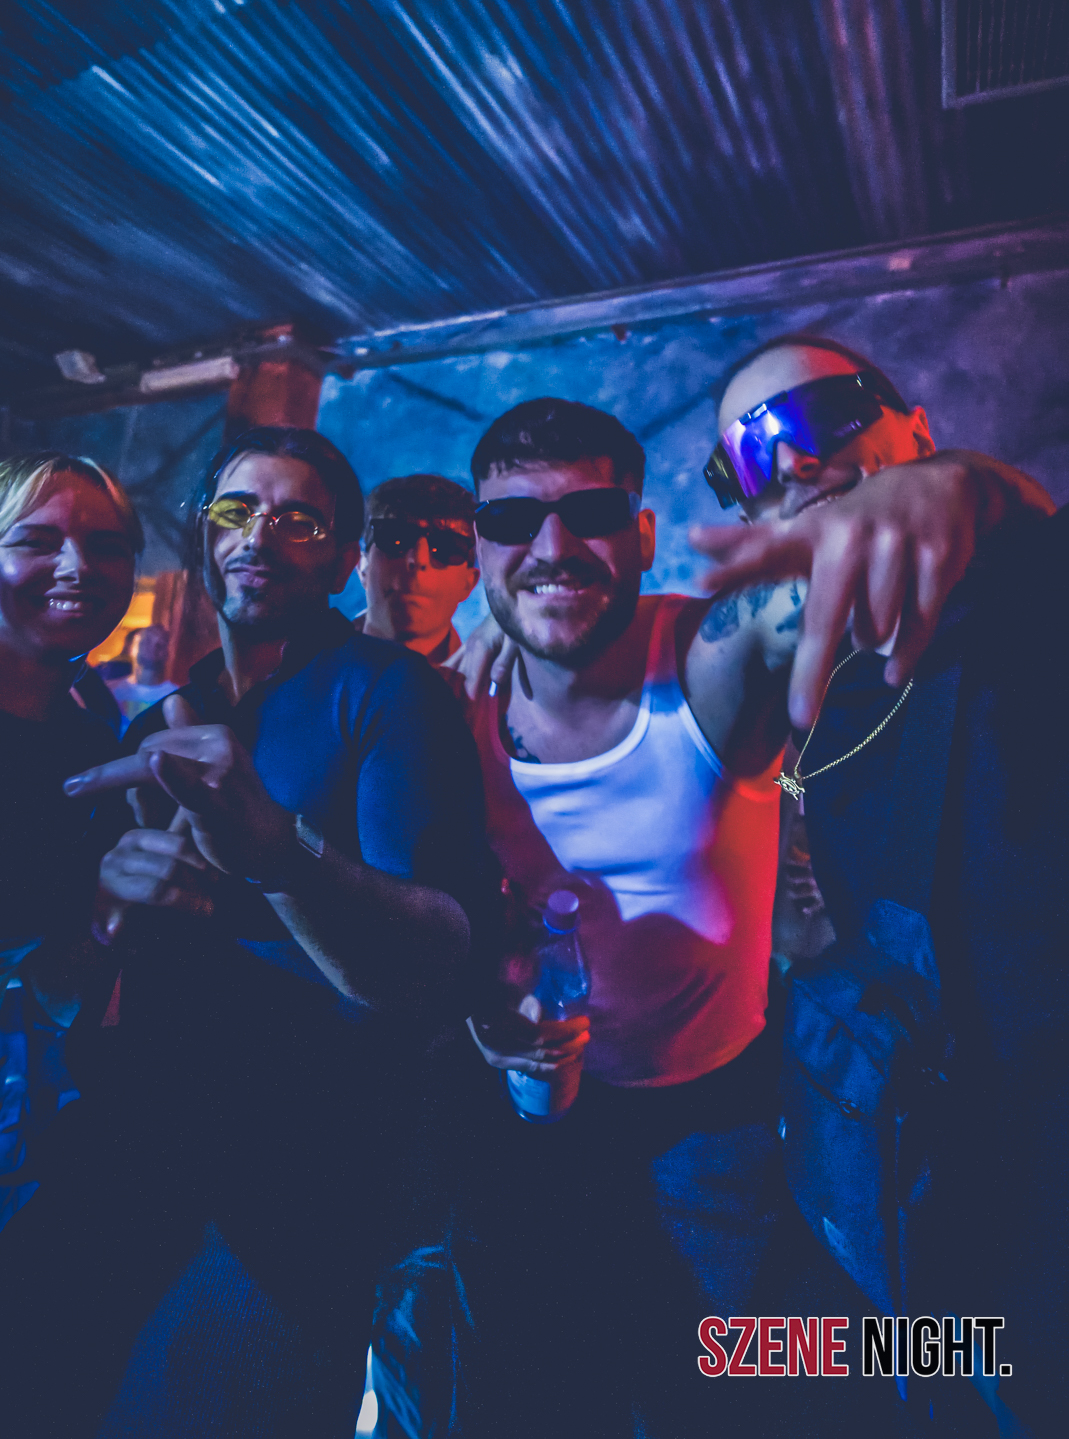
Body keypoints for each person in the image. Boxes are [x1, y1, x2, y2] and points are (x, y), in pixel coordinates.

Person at [442, 381, 1050, 1438]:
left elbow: (899, 564)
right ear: (480, 547)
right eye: (512, 520)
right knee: (529, 1388)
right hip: (527, 1117)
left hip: (718, 1121)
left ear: (641, 536)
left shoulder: (706, 659)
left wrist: (963, 483)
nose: (551, 545)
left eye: (588, 513)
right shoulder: (450, 708)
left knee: (742, 1377)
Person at [0, 426, 493, 1439]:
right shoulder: (155, 727)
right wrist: (106, 919)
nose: (260, 534)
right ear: (203, 536)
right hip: (134, 1156)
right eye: (237, 510)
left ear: (344, 558)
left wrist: (277, 853)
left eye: (299, 519)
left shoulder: (387, 691)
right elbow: (74, 973)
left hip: (299, 1187)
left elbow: (432, 968)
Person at [700, 335, 1065, 1436]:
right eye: (749, 454)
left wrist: (987, 490)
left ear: (915, 427)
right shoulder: (810, 668)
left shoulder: (1029, 595)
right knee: (780, 1363)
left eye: (821, 416)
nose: (791, 461)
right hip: (918, 1191)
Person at [0, 452, 141, 1232]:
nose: (77, 566)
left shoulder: (94, 743)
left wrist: (110, 915)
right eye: (36, 540)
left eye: (107, 546)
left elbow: (58, 979)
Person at [355, 473, 479, 662]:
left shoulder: (494, 680)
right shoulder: (308, 661)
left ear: (469, 583)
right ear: (362, 564)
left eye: (446, 547)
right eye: (396, 538)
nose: (418, 559)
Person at [105, 623, 172, 729]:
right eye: (147, 641)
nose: (152, 648)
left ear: (167, 653)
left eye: (160, 644)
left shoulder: (175, 695)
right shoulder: (110, 691)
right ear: (131, 648)